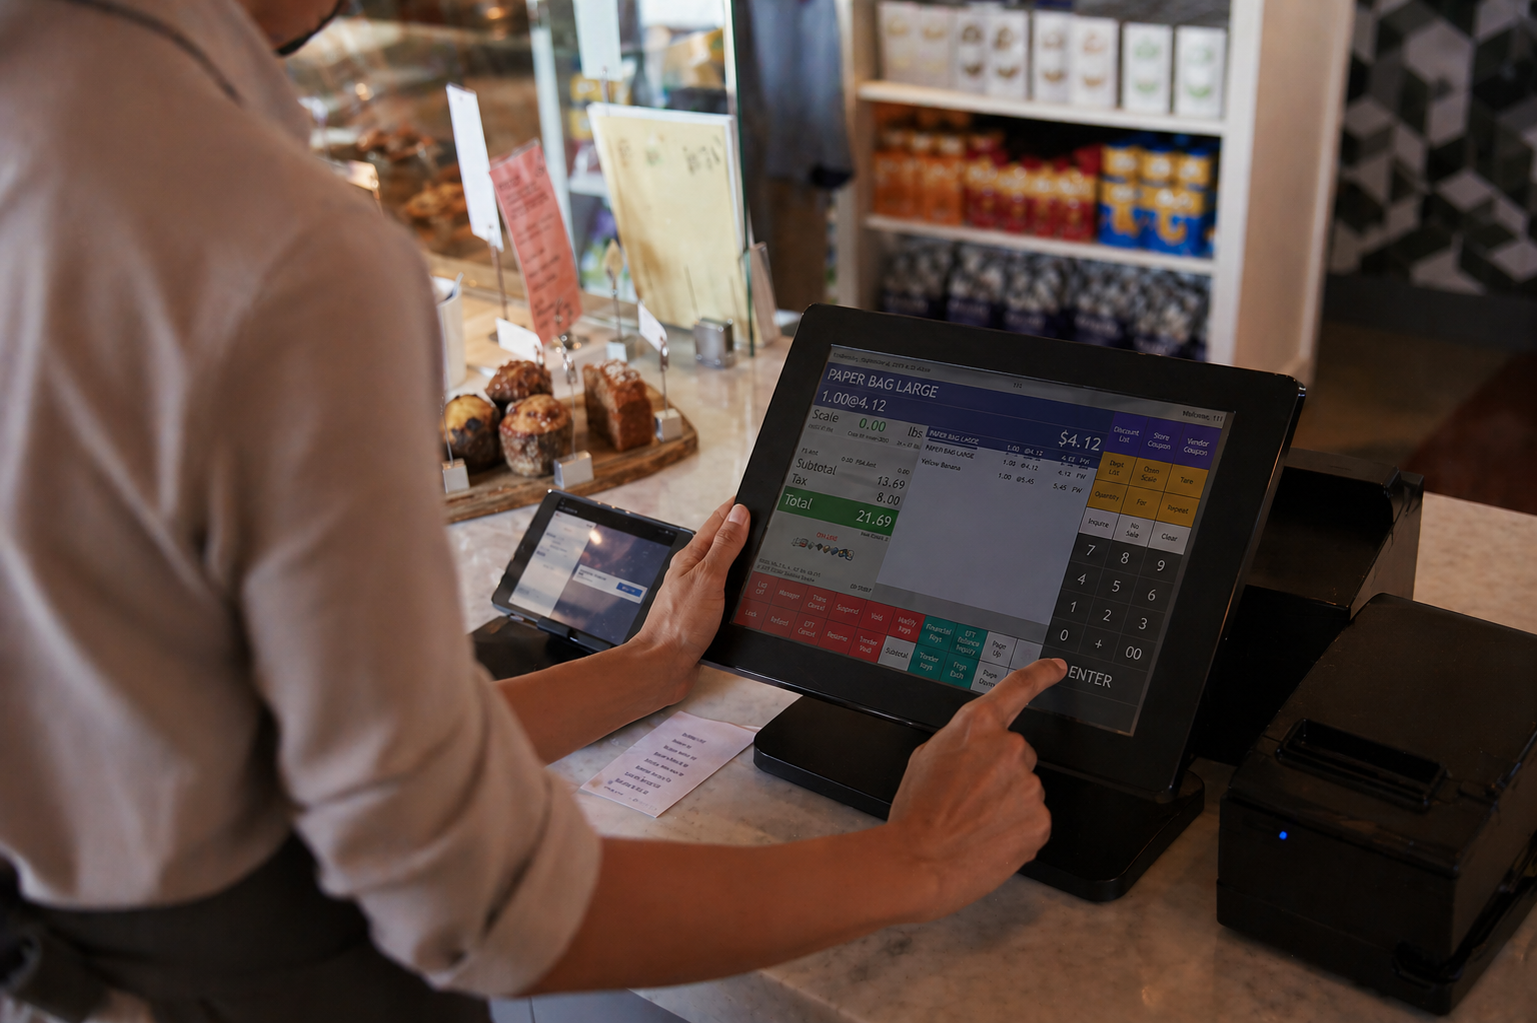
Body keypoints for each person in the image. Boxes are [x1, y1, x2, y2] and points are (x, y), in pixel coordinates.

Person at [0, 0, 1065, 1019]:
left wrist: (644, 667)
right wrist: (915, 858)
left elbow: (234, 746)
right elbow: (481, 908)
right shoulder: (273, 245)